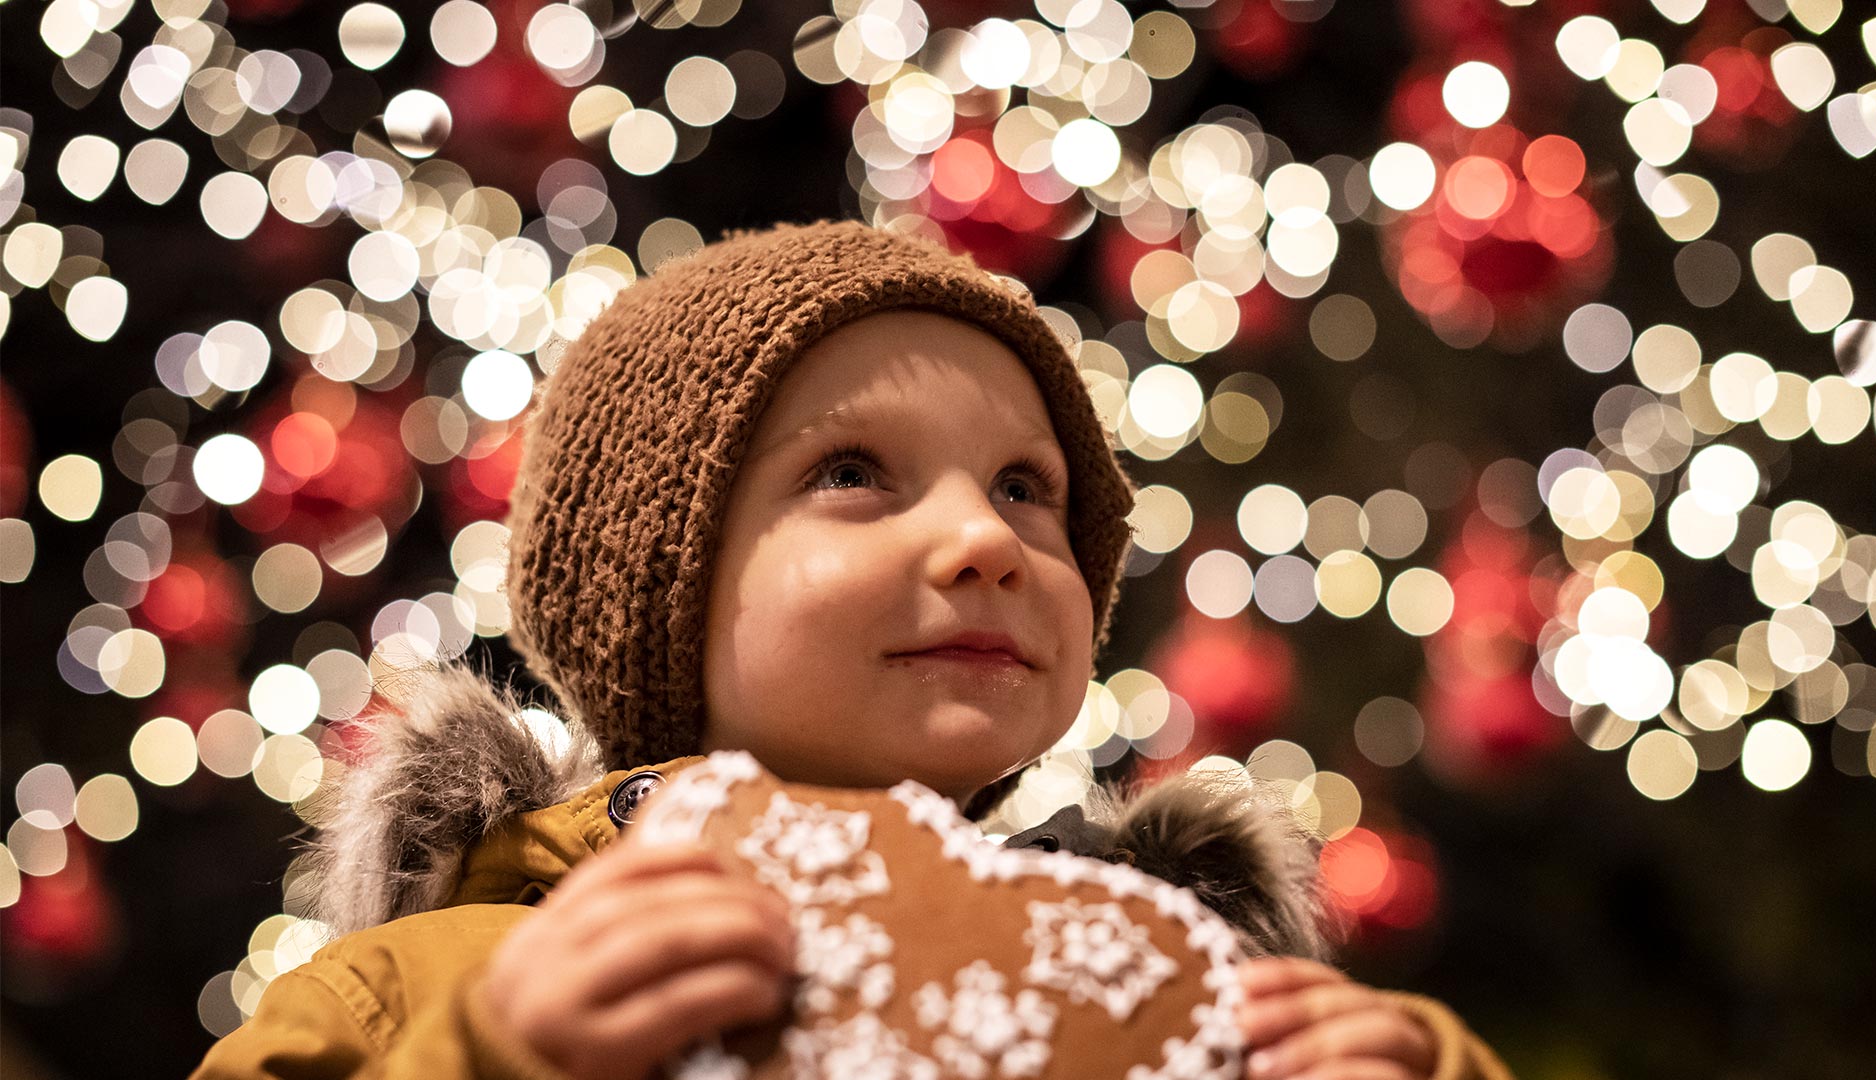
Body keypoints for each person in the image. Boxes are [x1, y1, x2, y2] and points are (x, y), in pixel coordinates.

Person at [192, 220, 1512, 1080]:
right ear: (668, 581)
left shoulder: (1176, 997)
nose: (982, 540)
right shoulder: (444, 977)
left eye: (1025, 490)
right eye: (855, 472)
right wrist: (491, 1057)